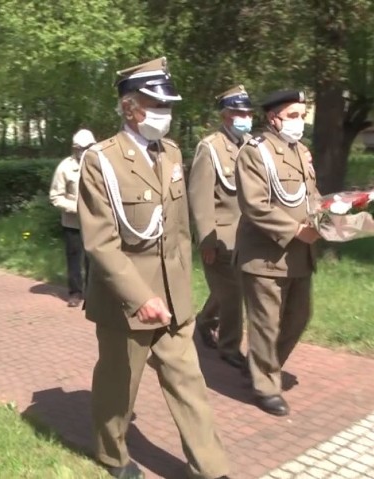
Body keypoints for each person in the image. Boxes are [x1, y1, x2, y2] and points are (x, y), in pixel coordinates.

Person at [78, 57, 230, 479]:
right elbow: (100, 242)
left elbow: (178, 231)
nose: (166, 114)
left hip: (173, 298)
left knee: (189, 383)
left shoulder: (172, 153)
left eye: (167, 106)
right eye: (156, 105)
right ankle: (112, 455)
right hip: (126, 303)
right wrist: (140, 297)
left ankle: (211, 468)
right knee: (118, 387)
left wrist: (181, 290)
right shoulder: (101, 161)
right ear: (130, 108)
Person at [233, 90, 322, 417]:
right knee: (266, 325)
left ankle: (263, 365)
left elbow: (310, 196)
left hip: (301, 256)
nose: (301, 122)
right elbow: (255, 205)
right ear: (274, 118)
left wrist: (331, 218)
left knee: (299, 318)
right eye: (295, 115)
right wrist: (297, 230)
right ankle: (265, 385)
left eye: (302, 115)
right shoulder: (255, 152)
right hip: (266, 257)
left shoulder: (299, 152)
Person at [188, 85, 254, 369]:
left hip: (249, 236)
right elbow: (199, 197)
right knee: (233, 293)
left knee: (226, 291)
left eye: (248, 113)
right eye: (240, 112)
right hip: (221, 237)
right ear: (226, 116)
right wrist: (207, 241)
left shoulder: (251, 144)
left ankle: (203, 322)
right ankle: (229, 347)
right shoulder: (210, 148)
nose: (245, 117)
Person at [49, 128, 96, 307]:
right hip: (73, 223)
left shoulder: (100, 165)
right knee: (74, 258)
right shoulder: (65, 167)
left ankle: (93, 294)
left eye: (87, 147)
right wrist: (76, 208)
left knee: (94, 259)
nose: (82, 152)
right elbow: (55, 197)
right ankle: (75, 292)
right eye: (79, 148)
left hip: (95, 223)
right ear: (74, 148)